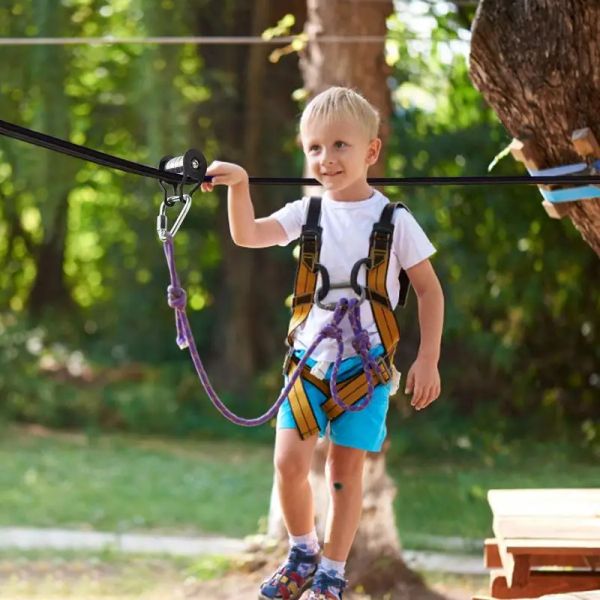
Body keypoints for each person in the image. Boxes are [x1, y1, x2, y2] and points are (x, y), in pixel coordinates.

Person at [200, 86, 444, 600]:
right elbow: (249, 234)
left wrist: (427, 358)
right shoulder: (306, 213)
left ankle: (332, 572)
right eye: (315, 148)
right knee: (288, 463)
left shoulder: (394, 221)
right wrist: (239, 184)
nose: (326, 159)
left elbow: (429, 289)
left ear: (371, 151)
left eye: (340, 146)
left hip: (366, 370)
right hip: (308, 365)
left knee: (343, 470)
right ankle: (302, 551)